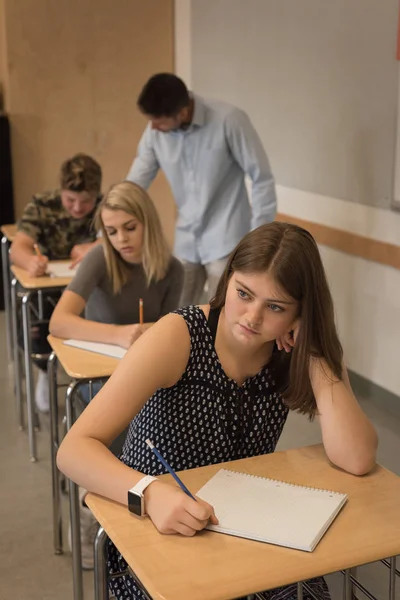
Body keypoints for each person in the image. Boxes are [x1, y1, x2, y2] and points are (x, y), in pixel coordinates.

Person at [57, 222, 377, 600]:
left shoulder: (292, 350)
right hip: (154, 526)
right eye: (243, 293)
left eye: (275, 307)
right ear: (227, 281)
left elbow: (356, 458)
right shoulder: (179, 336)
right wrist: (150, 493)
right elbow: (73, 450)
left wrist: (317, 354)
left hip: (242, 525)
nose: (252, 317)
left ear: (299, 315)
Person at [50, 180, 183, 569]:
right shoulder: (98, 260)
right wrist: (121, 335)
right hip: (97, 384)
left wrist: (151, 339)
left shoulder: (171, 269)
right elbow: (60, 321)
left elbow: (173, 329)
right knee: (116, 435)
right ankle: (91, 511)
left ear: (148, 223)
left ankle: (138, 506)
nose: (121, 238)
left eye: (129, 227)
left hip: (144, 384)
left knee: (160, 428)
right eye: (111, 230)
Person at [126, 72, 277, 306]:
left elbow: (261, 178)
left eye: (159, 121)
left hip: (227, 238)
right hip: (186, 240)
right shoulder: (155, 132)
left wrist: (260, 241)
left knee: (223, 316)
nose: (153, 127)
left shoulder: (229, 120)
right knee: (176, 313)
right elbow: (135, 183)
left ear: (183, 112)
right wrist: (103, 233)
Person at [10, 153, 103, 412]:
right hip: (48, 287)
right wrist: (31, 262)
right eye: (70, 200)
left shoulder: (106, 206)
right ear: (61, 191)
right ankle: (45, 370)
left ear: (96, 194)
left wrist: (95, 248)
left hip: (92, 286)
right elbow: (18, 247)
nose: (76, 208)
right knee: (36, 323)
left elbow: (118, 239)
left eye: (85, 201)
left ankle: (91, 375)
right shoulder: (43, 204)